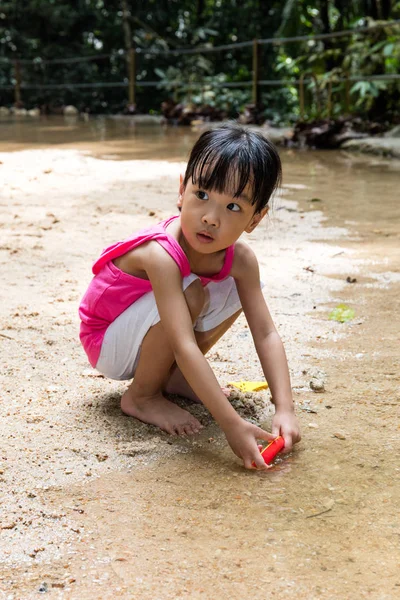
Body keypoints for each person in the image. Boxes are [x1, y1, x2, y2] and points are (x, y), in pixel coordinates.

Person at [79, 123, 301, 470]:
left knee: (235, 285)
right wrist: (230, 423)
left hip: (149, 330)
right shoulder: (160, 254)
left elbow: (266, 333)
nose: (211, 218)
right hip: (108, 339)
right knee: (191, 292)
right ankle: (142, 395)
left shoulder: (240, 259)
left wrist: (285, 408)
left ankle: (172, 377)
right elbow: (183, 342)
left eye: (233, 208)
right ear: (182, 190)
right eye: (202, 195)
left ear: (255, 219)